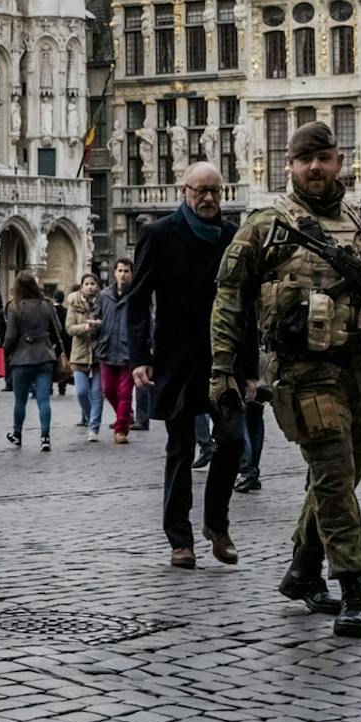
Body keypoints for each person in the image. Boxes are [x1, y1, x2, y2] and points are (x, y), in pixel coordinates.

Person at [213, 120, 361, 639]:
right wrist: (222, 369)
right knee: (336, 476)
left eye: (322, 158)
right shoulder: (266, 225)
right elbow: (229, 298)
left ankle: (302, 568)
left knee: (341, 476)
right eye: (303, 160)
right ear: (289, 165)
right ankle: (354, 589)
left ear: (339, 161)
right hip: (304, 374)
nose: (314, 168)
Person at [129, 163, 248, 570]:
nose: (209, 198)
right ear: (185, 191)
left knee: (232, 438)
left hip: (223, 359)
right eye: (201, 190)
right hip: (176, 359)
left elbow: (245, 306)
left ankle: (216, 525)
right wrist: (139, 358)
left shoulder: (234, 237)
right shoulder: (158, 235)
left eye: (215, 190)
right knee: (180, 448)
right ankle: (179, 539)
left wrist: (249, 370)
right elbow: (138, 300)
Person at [0, 272, 61, 449]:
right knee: (44, 400)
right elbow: (57, 330)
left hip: (21, 359)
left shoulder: (15, 307)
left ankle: (17, 434)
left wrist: (5, 353)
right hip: (44, 357)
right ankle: (45, 437)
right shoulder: (47, 305)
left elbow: (10, 336)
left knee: (20, 401)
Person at [95, 256, 138, 443]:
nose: (123, 274)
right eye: (120, 271)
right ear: (114, 273)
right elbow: (98, 316)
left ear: (131, 274)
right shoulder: (105, 295)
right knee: (109, 390)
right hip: (107, 348)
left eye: (126, 271)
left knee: (125, 392)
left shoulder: (137, 295)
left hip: (128, 351)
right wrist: (95, 326)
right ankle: (126, 413)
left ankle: (121, 429)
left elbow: (147, 323)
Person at [64, 272, 105, 442]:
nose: (90, 286)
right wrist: (85, 327)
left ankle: (94, 427)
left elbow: (110, 323)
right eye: (86, 283)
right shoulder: (73, 305)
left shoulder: (104, 303)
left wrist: (100, 325)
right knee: (81, 392)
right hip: (79, 354)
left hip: (99, 354)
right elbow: (69, 328)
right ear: (82, 286)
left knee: (97, 392)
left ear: (97, 286)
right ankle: (90, 418)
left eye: (92, 283)